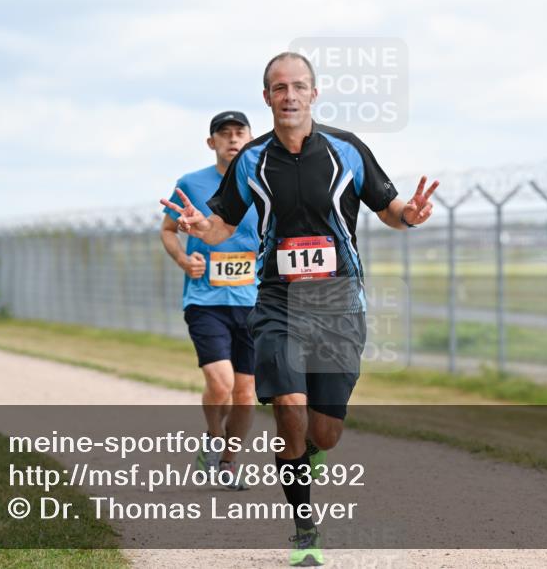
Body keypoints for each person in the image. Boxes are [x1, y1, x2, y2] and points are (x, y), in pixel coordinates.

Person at [161, 52, 438, 566]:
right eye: (279, 88)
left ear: (314, 93)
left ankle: (308, 454)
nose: (289, 96)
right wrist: (203, 230)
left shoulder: (346, 150)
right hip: (276, 302)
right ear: (266, 97)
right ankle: (305, 531)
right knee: (288, 410)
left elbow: (389, 208)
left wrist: (412, 215)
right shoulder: (252, 160)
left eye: (299, 86)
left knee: (323, 432)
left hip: (337, 302)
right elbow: (223, 222)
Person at [160, 111, 260, 490]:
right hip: (205, 300)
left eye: (239, 133)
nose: (232, 140)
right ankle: (213, 438)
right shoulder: (192, 183)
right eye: (224, 134)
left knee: (246, 393)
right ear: (211, 142)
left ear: (250, 139)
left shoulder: (263, 183)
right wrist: (184, 259)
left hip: (253, 300)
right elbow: (168, 230)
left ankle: (229, 462)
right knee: (222, 384)